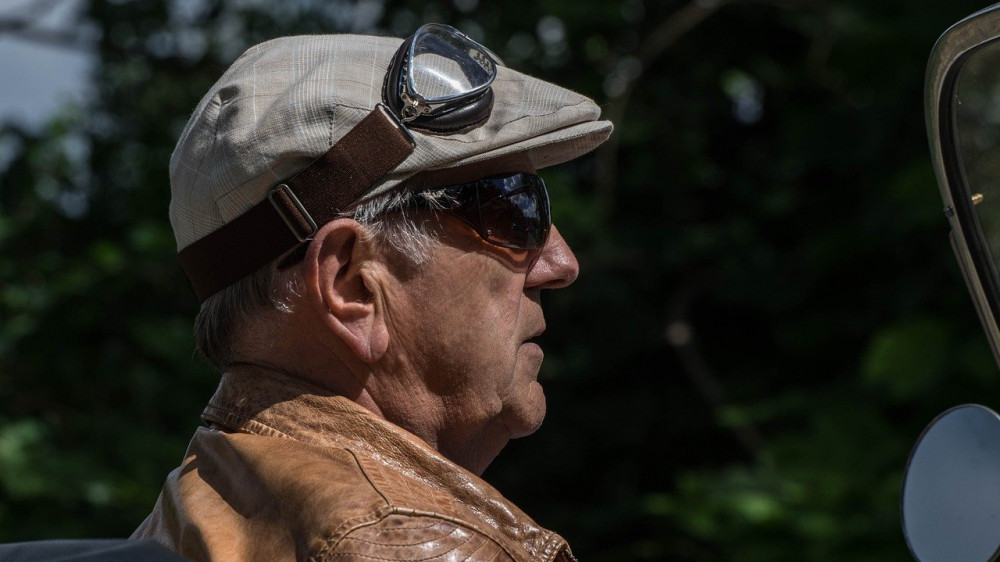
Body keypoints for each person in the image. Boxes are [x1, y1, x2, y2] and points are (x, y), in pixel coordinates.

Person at [130, 24, 612, 561]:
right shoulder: (415, 544)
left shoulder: (176, 519)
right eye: (513, 211)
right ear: (352, 284)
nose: (561, 264)